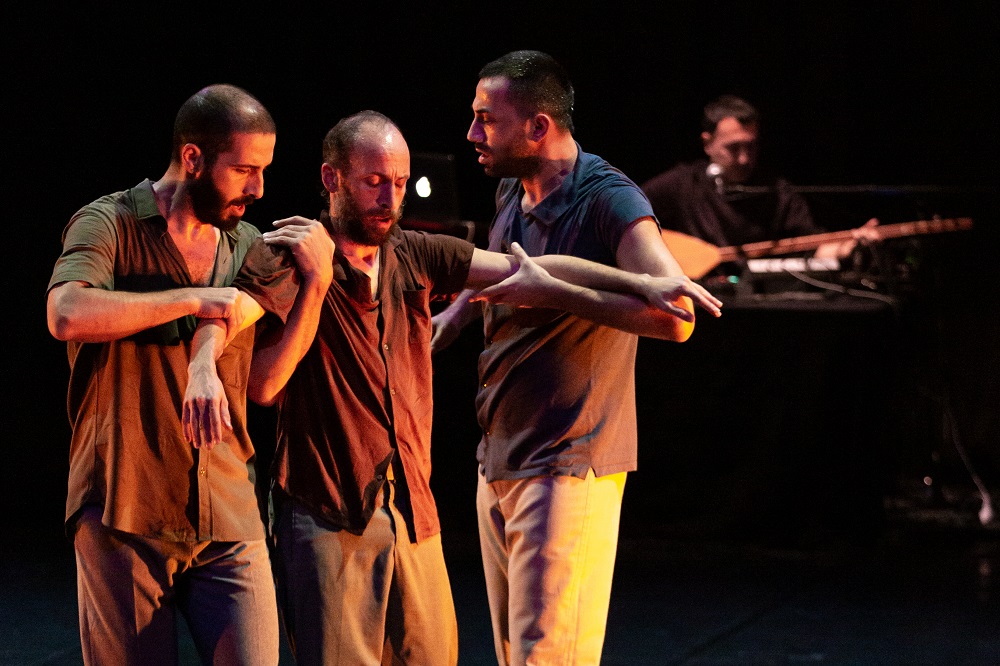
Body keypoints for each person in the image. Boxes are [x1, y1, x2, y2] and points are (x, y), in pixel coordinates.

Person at [243, 110, 721, 666]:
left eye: (399, 183)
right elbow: (264, 385)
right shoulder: (289, 256)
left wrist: (642, 281)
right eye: (373, 182)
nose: (389, 199)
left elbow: (535, 268)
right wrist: (316, 283)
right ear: (332, 179)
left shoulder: (414, 252)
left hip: (412, 513)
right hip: (327, 511)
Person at [430, 50, 713, 665]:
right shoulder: (513, 189)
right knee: (516, 654)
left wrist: (559, 293)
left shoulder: (610, 199)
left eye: (487, 120)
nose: (472, 134)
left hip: (568, 462)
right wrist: (455, 316)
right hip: (501, 453)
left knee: (548, 657)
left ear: (539, 126)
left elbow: (677, 318)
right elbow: (506, 268)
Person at [45, 84, 315, 665]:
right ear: (192, 157)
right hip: (124, 504)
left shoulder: (248, 246)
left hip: (227, 507)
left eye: (264, 171)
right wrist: (193, 298)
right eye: (243, 170)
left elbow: (264, 381)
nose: (258, 188)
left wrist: (313, 286)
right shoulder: (111, 222)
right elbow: (66, 313)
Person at [641, 94, 874, 267]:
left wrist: (848, 246)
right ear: (707, 143)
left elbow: (812, 248)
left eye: (751, 146)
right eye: (733, 148)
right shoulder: (682, 184)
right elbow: (628, 219)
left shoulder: (777, 192)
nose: (744, 159)